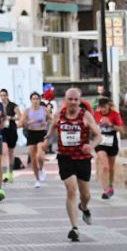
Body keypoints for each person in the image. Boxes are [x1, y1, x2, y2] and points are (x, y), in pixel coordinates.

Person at [46, 88, 101, 242]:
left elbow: (98, 136)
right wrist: (46, 141)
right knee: (71, 190)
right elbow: (51, 131)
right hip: (65, 158)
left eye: (76, 99)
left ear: (80, 100)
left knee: (86, 195)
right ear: (65, 100)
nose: (73, 102)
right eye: (70, 99)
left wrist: (91, 145)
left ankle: (84, 207)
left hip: (82, 158)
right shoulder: (59, 115)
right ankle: (74, 228)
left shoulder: (86, 116)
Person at [93, 97, 123, 199]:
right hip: (100, 142)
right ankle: (105, 190)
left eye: (105, 107)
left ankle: (110, 185)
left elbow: (121, 129)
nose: (103, 110)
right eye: (101, 108)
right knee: (104, 166)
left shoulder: (115, 114)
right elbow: (90, 127)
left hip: (112, 142)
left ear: (108, 106)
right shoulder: (96, 115)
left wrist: (111, 124)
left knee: (111, 167)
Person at [22, 92, 49, 187]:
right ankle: (37, 179)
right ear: (31, 100)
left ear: (40, 100)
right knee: (33, 159)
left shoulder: (44, 110)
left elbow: (52, 119)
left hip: (41, 134)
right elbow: (22, 123)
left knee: (40, 156)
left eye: (37, 99)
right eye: (33, 99)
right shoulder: (27, 111)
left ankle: (41, 169)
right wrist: (30, 121)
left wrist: (46, 123)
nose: (35, 101)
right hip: (31, 134)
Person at [0, 89, 19, 183]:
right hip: (2, 130)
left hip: (11, 130)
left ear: (7, 95)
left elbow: (20, 116)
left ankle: (11, 172)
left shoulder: (13, 105)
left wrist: (10, 118)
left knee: (11, 152)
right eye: (1, 95)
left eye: (4, 95)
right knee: (4, 152)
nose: (3, 97)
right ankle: (5, 173)